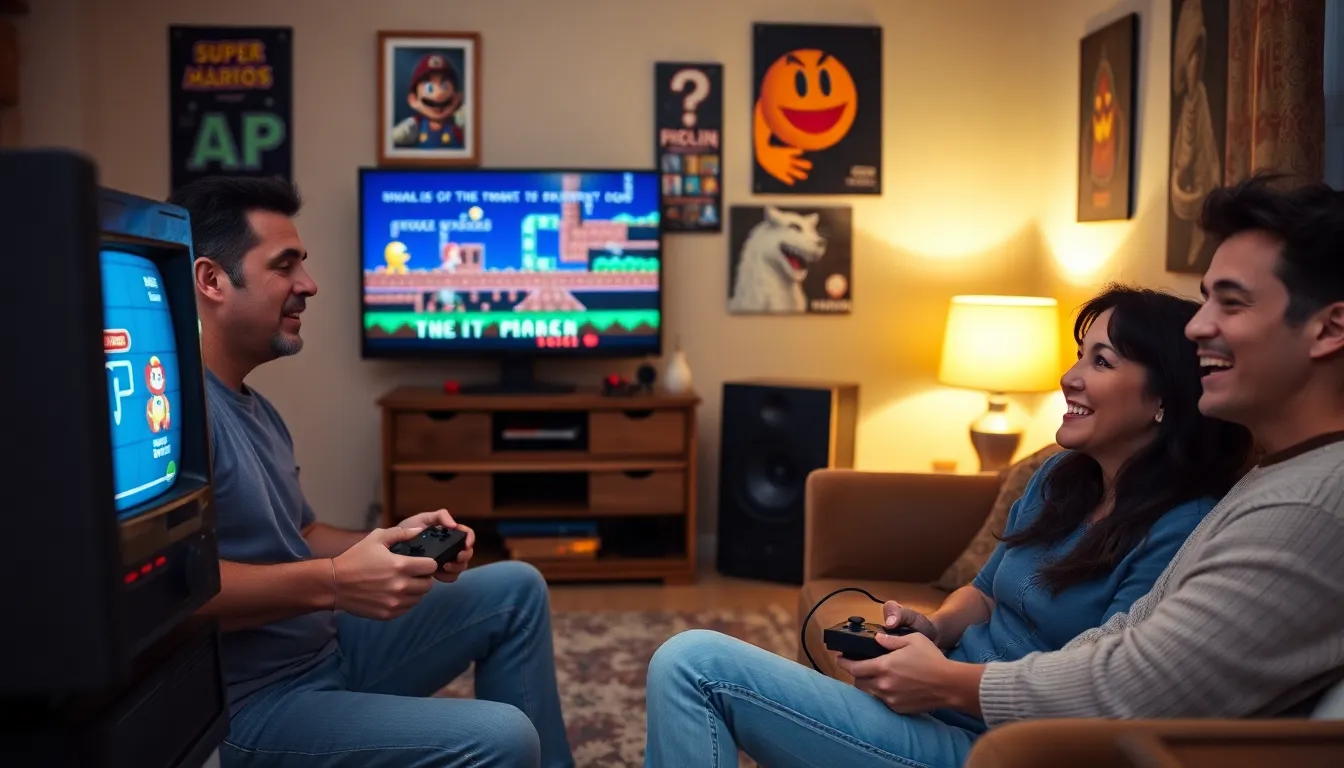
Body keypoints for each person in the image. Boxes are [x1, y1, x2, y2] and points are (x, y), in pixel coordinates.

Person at [644, 284, 1255, 767]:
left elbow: (1098, 693)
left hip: (993, 750)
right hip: (938, 705)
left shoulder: (1180, 530)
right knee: (692, 665)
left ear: (1163, 400)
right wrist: (934, 625)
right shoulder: (1063, 475)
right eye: (1078, 356)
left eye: (1102, 361)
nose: (1070, 377)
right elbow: (987, 592)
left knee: (692, 662)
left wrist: (945, 682)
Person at [170, 176, 574, 768]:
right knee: (503, 736)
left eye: (302, 264)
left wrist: (393, 544)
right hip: (256, 706)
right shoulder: (179, 417)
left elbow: (299, 536)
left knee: (516, 588)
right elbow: (174, 594)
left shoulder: (256, 407)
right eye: (285, 266)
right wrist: (336, 581)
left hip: (325, 650)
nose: (309, 284)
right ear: (211, 280)